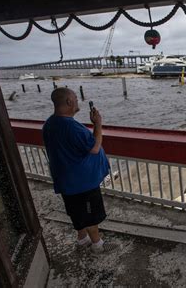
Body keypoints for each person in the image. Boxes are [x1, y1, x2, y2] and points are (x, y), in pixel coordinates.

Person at [43, 87, 115, 253]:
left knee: (76, 211)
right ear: (68, 102)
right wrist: (98, 124)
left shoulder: (49, 124)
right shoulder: (71, 127)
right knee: (90, 216)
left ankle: (82, 239)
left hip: (66, 180)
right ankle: (98, 245)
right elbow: (95, 147)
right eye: (75, 98)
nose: (77, 101)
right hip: (82, 183)